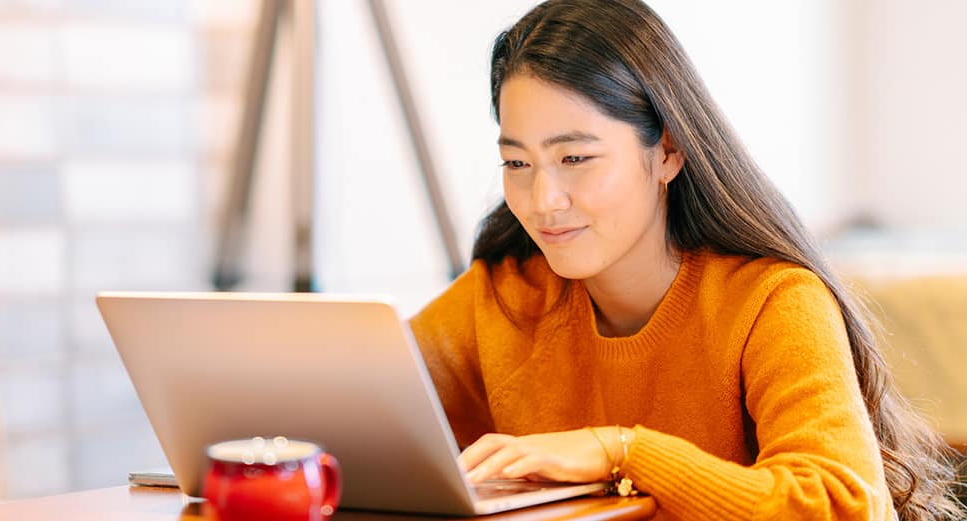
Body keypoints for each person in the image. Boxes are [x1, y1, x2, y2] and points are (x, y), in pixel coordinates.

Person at [408, 1, 964, 520]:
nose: (542, 199)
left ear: (669, 150)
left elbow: (841, 504)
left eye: (575, 157)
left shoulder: (771, 300)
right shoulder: (505, 295)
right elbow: (357, 409)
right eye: (516, 162)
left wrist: (622, 450)